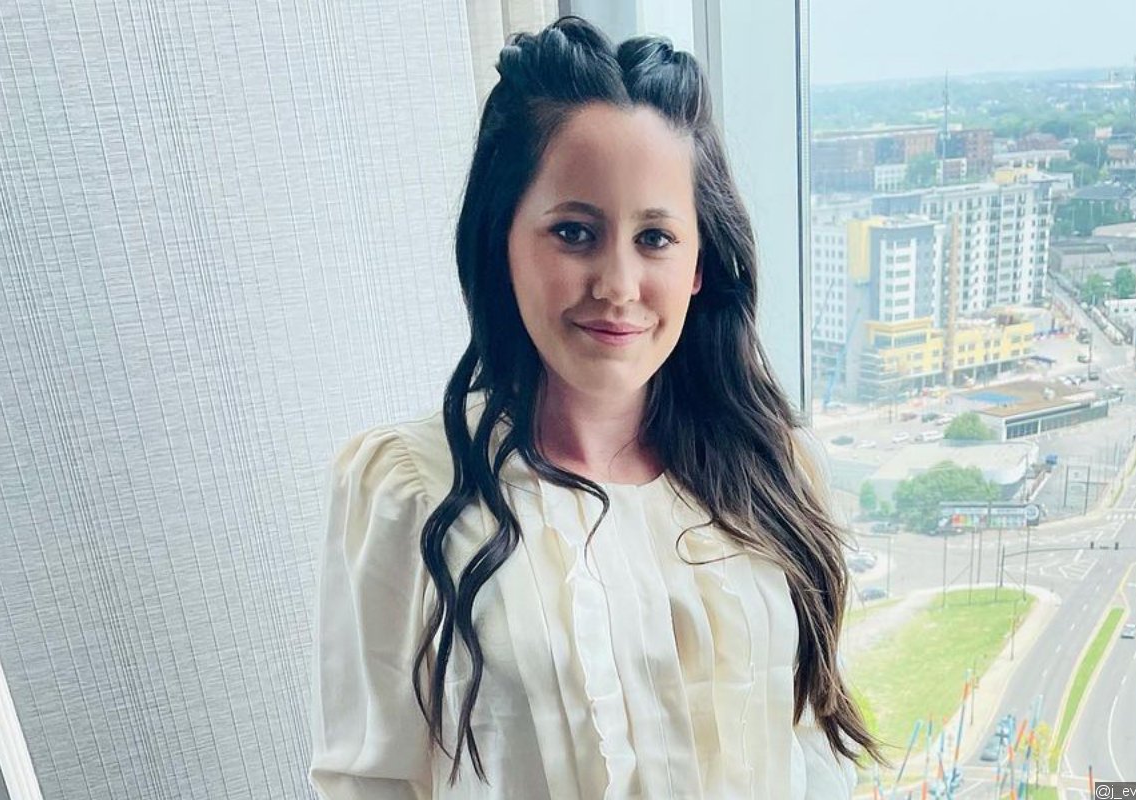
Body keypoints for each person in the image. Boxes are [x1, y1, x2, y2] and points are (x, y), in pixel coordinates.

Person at [309, 16, 881, 800]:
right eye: (575, 232)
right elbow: (366, 781)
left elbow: (809, 747)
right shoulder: (408, 489)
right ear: (502, 242)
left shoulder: (775, 466)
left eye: (655, 238)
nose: (617, 285)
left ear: (699, 264)